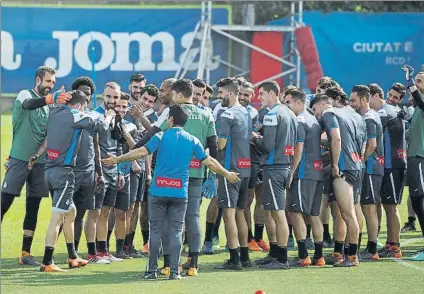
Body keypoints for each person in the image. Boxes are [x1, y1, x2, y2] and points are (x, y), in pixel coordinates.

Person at [102, 104, 240, 280]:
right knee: (176, 232)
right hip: (179, 193)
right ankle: (175, 272)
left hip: (158, 191)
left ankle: (151, 270)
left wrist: (118, 158)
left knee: (156, 231)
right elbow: (209, 161)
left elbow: (140, 151)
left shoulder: (160, 136)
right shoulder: (192, 140)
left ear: (171, 119)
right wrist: (226, 174)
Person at [35, 90, 112, 272]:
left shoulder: (55, 111)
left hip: (49, 170)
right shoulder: (75, 115)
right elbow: (102, 127)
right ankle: (47, 262)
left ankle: (73, 256)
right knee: (57, 217)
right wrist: (107, 116)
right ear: (79, 105)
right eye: (84, 107)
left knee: (71, 212)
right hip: (65, 173)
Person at [1, 66, 72, 266]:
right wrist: (52, 99)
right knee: (3, 204)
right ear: (38, 79)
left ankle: (25, 253)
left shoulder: (50, 106)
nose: (51, 86)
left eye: (53, 83)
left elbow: (50, 133)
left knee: (33, 207)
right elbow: (29, 104)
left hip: (40, 163)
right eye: (48, 82)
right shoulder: (26, 94)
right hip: (18, 159)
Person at [311, 94, 362, 267]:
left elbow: (337, 137)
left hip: (344, 168)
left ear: (323, 104)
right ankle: (345, 254)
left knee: (347, 214)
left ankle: (352, 257)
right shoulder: (350, 114)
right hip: (356, 165)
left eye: (315, 109)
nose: (316, 114)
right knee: (349, 212)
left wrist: (334, 164)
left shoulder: (328, 113)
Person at [251, 81, 297, 269]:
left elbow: (267, 146)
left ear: (272, 93)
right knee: (274, 212)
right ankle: (275, 254)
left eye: (261, 93)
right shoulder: (290, 113)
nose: (259, 97)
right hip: (284, 166)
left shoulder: (272, 115)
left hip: (274, 166)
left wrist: (254, 137)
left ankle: (282, 259)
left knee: (278, 214)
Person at [69, 76, 109, 263]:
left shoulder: (93, 117)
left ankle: (74, 253)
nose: (86, 95)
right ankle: (50, 253)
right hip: (68, 171)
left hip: (89, 172)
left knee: (80, 214)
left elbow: (96, 146)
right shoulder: (66, 115)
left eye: (89, 93)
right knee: (63, 214)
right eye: (83, 92)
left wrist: (99, 173)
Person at [284, 87, 325, 267]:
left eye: (288, 102)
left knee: (294, 212)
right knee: (314, 214)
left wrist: (291, 172)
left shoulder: (299, 121)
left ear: (299, 102)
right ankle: (319, 256)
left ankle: (303, 255)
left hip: (303, 173)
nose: (286, 106)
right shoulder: (314, 120)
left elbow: (298, 149)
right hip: (317, 171)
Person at [214, 77, 252, 270]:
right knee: (240, 213)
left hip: (230, 170)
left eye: (220, 93)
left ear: (229, 93)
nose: (218, 96)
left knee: (228, 215)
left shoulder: (227, 114)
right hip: (246, 168)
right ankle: (244, 256)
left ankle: (234, 259)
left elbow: (221, 144)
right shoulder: (246, 112)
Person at [368, 83, 406, 258]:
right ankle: (389, 243)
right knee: (385, 205)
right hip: (388, 165)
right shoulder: (386, 111)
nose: (366, 103)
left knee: (391, 206)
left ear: (376, 96)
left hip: (393, 165)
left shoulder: (385, 111)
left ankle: (395, 246)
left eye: (368, 98)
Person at [350, 85, 384, 261]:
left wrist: (361, 160)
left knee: (369, 208)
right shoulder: (365, 116)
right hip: (369, 166)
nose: (352, 103)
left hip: (371, 167)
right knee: (365, 207)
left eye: (354, 100)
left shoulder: (369, 118)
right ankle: (366, 246)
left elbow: (372, 144)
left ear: (364, 100)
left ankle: (371, 249)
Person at [92, 82, 125, 262]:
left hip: (113, 171)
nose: (112, 100)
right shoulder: (96, 115)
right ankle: (93, 252)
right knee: (95, 213)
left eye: (115, 97)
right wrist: (109, 117)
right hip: (99, 171)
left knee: (106, 212)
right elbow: (94, 140)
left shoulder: (116, 117)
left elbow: (119, 144)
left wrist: (119, 171)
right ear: (102, 96)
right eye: (109, 96)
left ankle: (103, 251)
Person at [402, 64, 424, 261]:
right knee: (417, 201)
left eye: (419, 80)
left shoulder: (422, 102)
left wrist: (409, 81)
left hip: (421, 157)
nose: (415, 84)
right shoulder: (417, 108)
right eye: (415, 80)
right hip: (414, 157)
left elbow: (418, 97)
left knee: (420, 200)